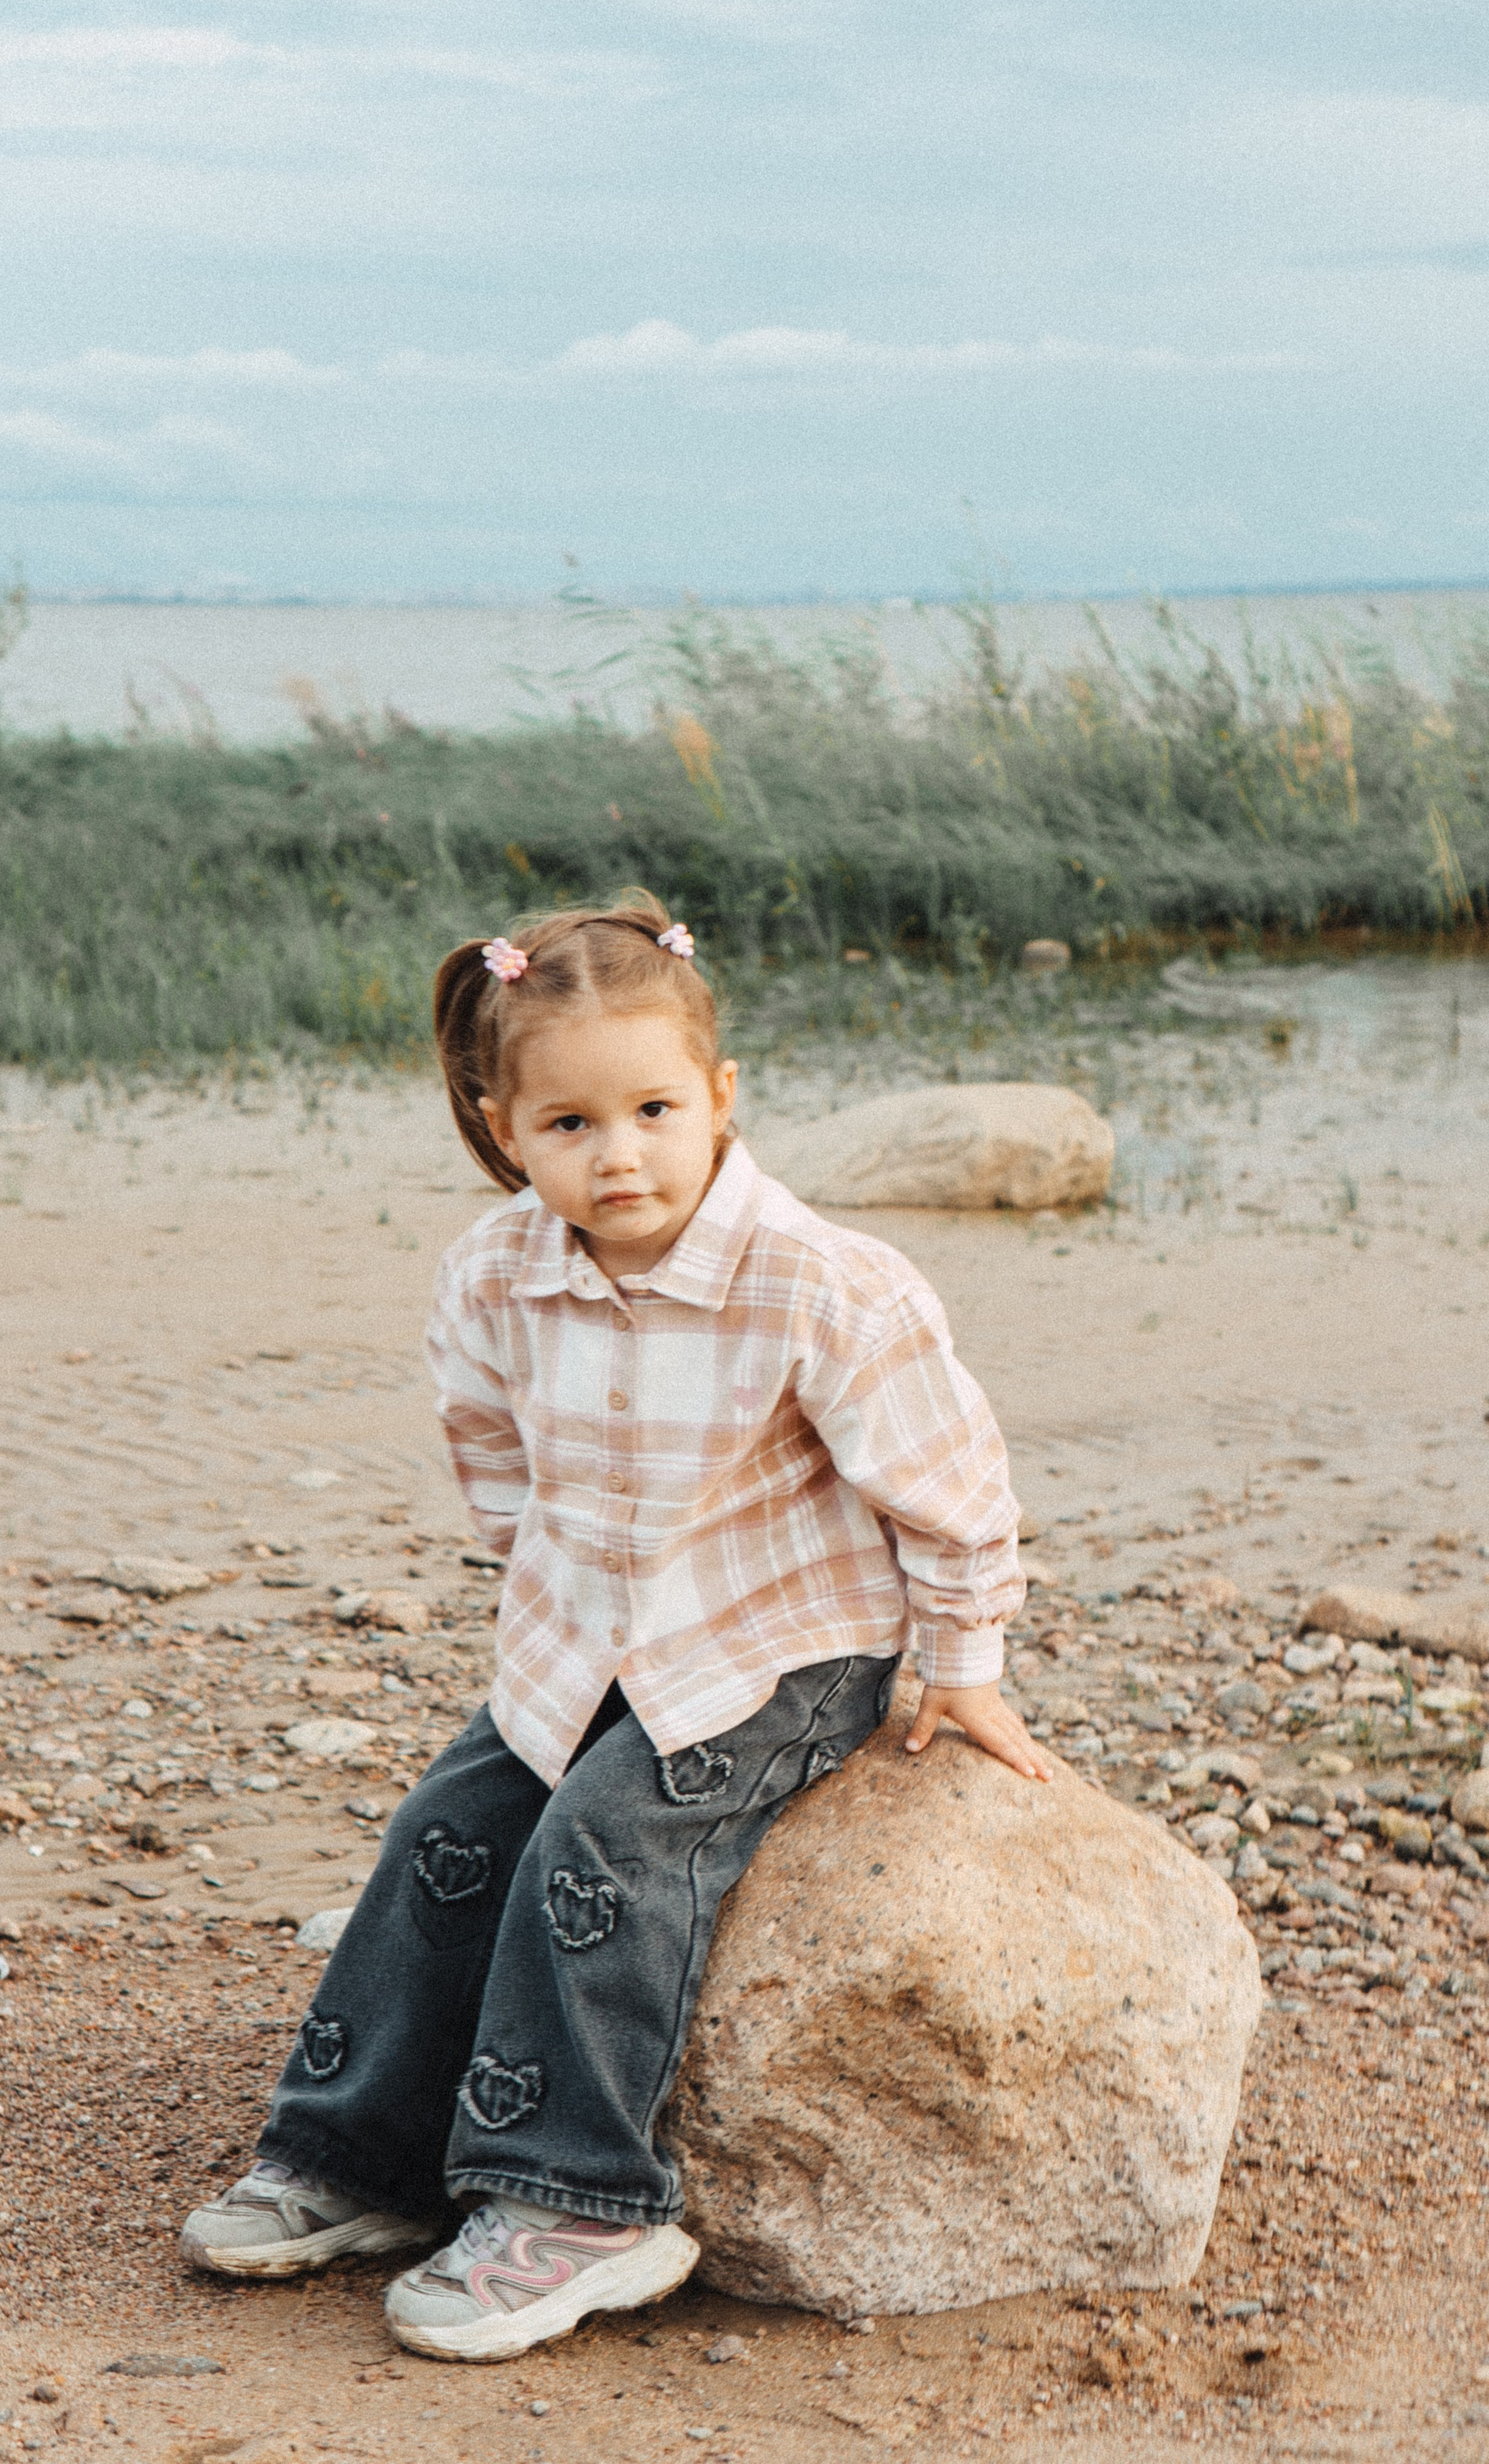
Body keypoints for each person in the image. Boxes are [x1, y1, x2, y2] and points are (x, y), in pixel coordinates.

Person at [181, 893, 1044, 2362]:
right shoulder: (497, 1271)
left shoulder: (819, 1283)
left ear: (719, 1097)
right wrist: (547, 1609)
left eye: (651, 1109)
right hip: (585, 1632)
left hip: (781, 1648)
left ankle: (582, 2202)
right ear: (504, 1124)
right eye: (570, 1123)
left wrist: (961, 1667)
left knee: (606, 1842)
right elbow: (495, 1458)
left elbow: (950, 1487)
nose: (618, 1152)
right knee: (451, 1829)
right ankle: (360, 2155)